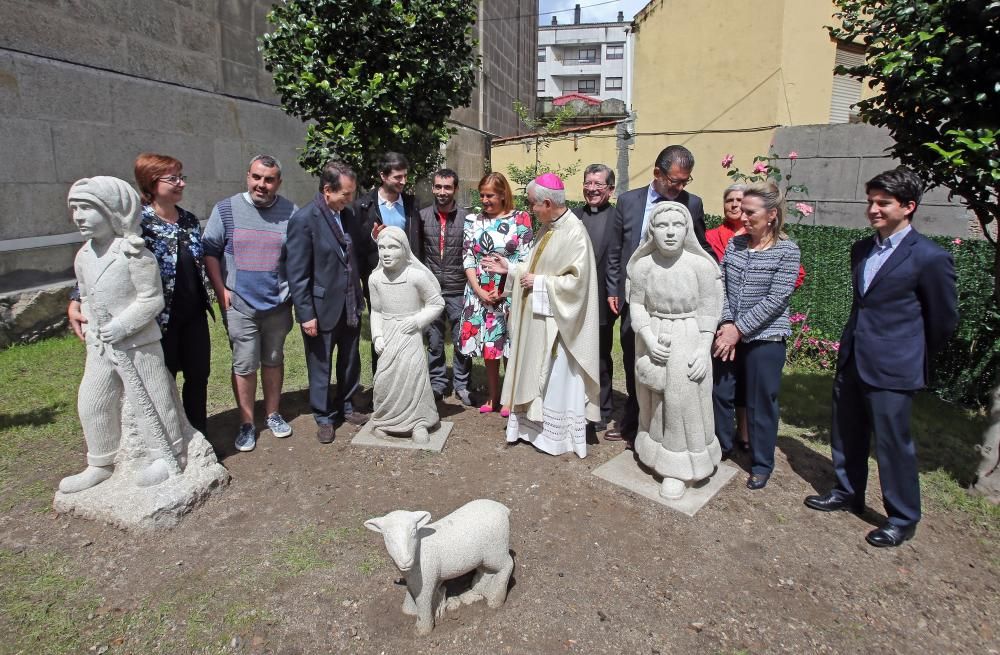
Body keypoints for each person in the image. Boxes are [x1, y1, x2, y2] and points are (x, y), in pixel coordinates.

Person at [805, 168, 958, 548]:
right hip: (854, 357)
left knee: (892, 444)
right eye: (870, 201)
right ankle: (847, 491)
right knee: (847, 432)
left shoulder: (929, 257)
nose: (873, 209)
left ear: (908, 207)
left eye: (883, 203)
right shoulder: (862, 249)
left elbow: (942, 319)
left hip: (894, 367)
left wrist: (908, 353)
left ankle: (902, 517)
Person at [67, 153, 213, 434]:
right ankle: (174, 437)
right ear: (151, 182)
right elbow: (100, 260)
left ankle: (199, 434)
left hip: (193, 315)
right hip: (158, 320)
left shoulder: (189, 220)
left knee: (198, 376)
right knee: (162, 379)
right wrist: (76, 297)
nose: (181, 183)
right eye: (173, 178)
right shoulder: (136, 224)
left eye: (182, 176)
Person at [61, 176, 185, 493]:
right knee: (93, 401)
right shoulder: (84, 256)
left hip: (137, 343)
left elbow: (151, 299)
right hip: (101, 345)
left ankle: (169, 452)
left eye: (87, 209)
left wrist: (121, 325)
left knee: (154, 400)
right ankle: (100, 461)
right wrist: (91, 325)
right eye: (75, 209)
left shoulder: (134, 254)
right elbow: (87, 296)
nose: (79, 217)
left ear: (113, 211)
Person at [486, 173, 600, 459]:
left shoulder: (574, 233)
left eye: (534, 204)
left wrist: (539, 282)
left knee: (553, 379)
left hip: (559, 330)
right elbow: (533, 267)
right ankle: (528, 429)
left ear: (548, 203)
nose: (531, 209)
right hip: (539, 320)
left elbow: (577, 284)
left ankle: (554, 438)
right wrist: (510, 269)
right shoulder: (548, 228)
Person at [606, 145, 715, 445]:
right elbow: (616, 250)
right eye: (675, 181)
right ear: (657, 173)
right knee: (634, 357)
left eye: (684, 181)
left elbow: (700, 246)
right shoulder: (628, 202)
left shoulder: (692, 204)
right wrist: (615, 289)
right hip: (636, 298)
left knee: (671, 366)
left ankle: (661, 426)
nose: (679, 187)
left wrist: (715, 272)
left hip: (672, 303)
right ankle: (633, 418)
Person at [627, 201, 723, 498]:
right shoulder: (643, 266)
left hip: (689, 336)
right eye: (663, 226)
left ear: (687, 230)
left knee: (682, 401)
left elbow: (709, 310)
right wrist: (649, 339)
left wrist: (703, 348)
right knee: (653, 398)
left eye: (677, 225)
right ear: (652, 230)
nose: (670, 232)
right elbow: (637, 304)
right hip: (652, 334)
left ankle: (680, 467)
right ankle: (655, 452)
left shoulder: (701, 266)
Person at [203, 155, 297, 453]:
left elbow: (296, 256)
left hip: (277, 305)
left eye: (269, 179)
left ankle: (272, 414)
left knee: (273, 359)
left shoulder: (290, 212)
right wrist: (221, 290)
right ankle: (246, 422)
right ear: (248, 177)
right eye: (257, 177)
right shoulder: (226, 209)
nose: (262, 184)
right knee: (244, 364)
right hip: (240, 304)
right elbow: (210, 251)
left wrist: (291, 291)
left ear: (278, 183)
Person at [712, 181, 801, 490]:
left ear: (772, 215)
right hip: (728, 334)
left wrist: (740, 329)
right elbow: (720, 283)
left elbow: (777, 299)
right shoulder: (735, 245)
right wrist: (726, 322)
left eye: (750, 212)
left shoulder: (787, 251)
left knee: (760, 403)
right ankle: (721, 447)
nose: (743, 217)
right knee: (721, 393)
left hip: (765, 339)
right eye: (742, 211)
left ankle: (762, 463)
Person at [285, 160, 369, 445]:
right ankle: (324, 416)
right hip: (321, 309)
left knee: (350, 360)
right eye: (346, 193)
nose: (350, 198)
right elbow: (297, 274)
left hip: (349, 303)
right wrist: (306, 313)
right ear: (327, 190)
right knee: (320, 364)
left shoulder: (348, 214)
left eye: (352, 193)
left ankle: (347, 406)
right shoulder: (304, 220)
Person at [458, 172, 533, 414]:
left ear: (502, 194)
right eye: (482, 195)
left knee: (510, 345)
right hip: (480, 294)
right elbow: (468, 259)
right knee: (490, 348)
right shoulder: (472, 220)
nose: (485, 200)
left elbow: (526, 258)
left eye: (490, 195)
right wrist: (480, 291)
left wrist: (504, 291)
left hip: (510, 291)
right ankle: (493, 396)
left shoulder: (521, 219)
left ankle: (511, 397)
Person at [369, 227, 446, 443]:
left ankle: (418, 422)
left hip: (410, 335)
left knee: (413, 376)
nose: (386, 252)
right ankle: (385, 420)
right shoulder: (375, 279)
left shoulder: (416, 276)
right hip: (388, 334)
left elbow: (437, 303)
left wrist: (417, 321)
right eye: (382, 247)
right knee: (384, 378)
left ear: (404, 250)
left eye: (392, 247)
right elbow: (375, 310)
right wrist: (377, 336)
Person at [354, 152, 424, 374]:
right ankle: (382, 387)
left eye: (405, 176)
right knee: (382, 334)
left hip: (408, 280)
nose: (403, 182)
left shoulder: (413, 205)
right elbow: (357, 247)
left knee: (408, 332)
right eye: (398, 177)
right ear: (382, 176)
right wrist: (373, 239)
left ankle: (407, 384)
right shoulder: (363, 207)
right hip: (378, 280)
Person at [572, 163, 621, 436]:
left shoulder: (618, 218)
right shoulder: (573, 215)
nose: (591, 189)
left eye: (598, 185)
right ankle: (575, 402)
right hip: (572, 299)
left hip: (603, 299)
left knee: (600, 355)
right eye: (588, 183)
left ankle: (602, 408)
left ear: (610, 190)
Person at [418, 168, 474, 406]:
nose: (442, 192)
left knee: (463, 339)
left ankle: (461, 384)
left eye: (447, 187)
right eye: (438, 187)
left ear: (455, 189)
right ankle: (438, 383)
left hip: (458, 289)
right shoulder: (421, 218)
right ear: (433, 188)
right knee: (435, 340)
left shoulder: (467, 219)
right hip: (431, 291)